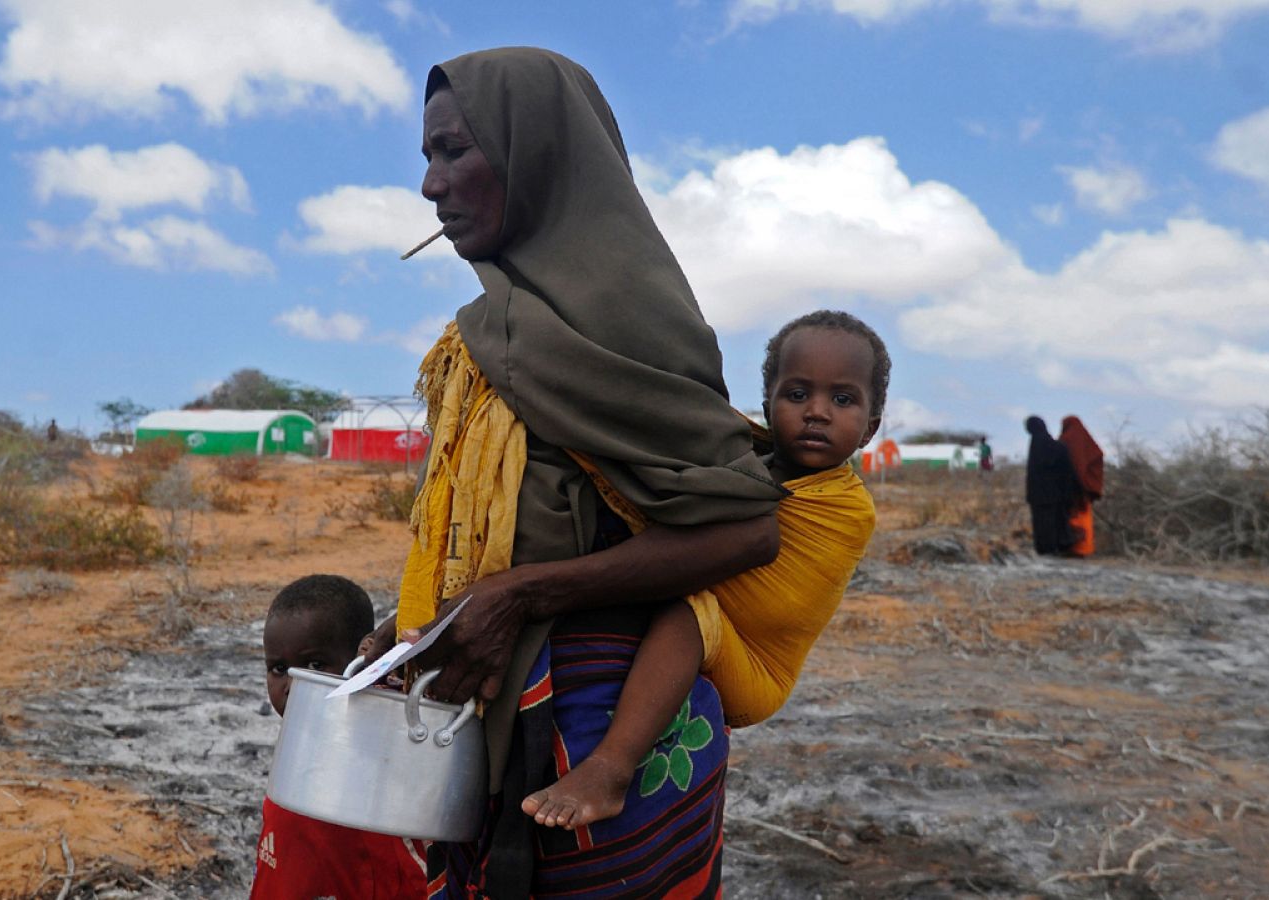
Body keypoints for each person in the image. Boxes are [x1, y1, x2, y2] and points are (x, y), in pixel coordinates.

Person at [358, 48, 786, 898]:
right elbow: (495, 533)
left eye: (453, 152)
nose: (430, 187)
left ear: (537, 151)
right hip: (491, 725)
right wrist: (408, 632)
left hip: (606, 742)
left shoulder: (628, 313)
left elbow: (747, 526)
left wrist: (522, 597)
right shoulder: (485, 330)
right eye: (426, 160)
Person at [521, 310, 886, 830]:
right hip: (717, 625)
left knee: (688, 611)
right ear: (766, 406)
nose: (818, 413)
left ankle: (610, 768)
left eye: (843, 400)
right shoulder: (740, 466)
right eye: (798, 395)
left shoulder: (845, 509)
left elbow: (764, 595)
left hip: (757, 664)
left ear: (870, 429)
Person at [252, 575, 428, 900]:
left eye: (315, 665)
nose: (294, 683)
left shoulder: (387, 724)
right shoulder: (296, 742)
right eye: (278, 669)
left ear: (363, 657)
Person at [1025, 416, 1077, 556]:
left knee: (1043, 522)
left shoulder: (1038, 445)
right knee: (1055, 520)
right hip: (1055, 493)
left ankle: (1046, 548)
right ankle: (1057, 546)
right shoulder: (1056, 446)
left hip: (1040, 494)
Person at [1058, 416, 1104, 558]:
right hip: (1083, 489)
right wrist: (1089, 480)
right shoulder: (1087, 441)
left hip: (1068, 487)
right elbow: (1098, 454)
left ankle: (1071, 547)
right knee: (1083, 517)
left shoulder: (1065, 439)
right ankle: (1083, 549)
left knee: (1069, 517)